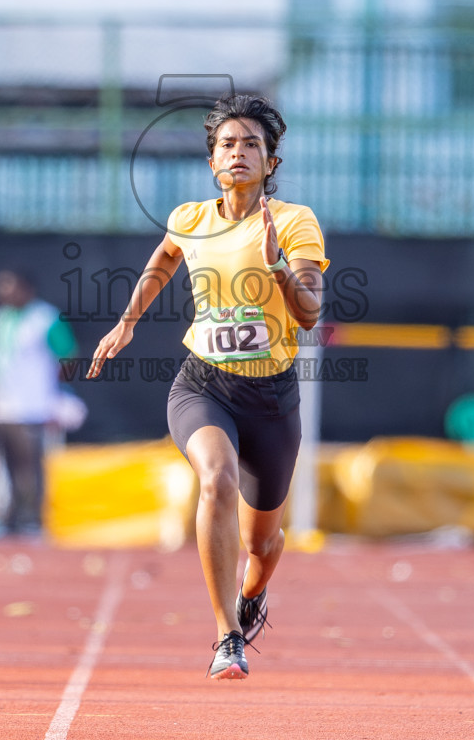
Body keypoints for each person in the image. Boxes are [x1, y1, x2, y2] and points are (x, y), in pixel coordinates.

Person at [88, 94, 326, 679]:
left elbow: (311, 312)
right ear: (212, 160)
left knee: (263, 545)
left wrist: (275, 266)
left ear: (270, 162)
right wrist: (128, 320)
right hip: (202, 385)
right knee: (215, 480)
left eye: (252, 145)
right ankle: (227, 636)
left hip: (271, 399)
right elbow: (165, 258)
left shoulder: (294, 222)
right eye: (228, 144)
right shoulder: (189, 218)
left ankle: (252, 596)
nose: (239, 153)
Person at [0, 269, 76, 537]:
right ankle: (12, 514)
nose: (3, 294)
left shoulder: (45, 318)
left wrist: (56, 391)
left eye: (10, 287)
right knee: (7, 464)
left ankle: (36, 516)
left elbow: (68, 356)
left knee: (31, 464)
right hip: (2, 404)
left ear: (26, 289)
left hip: (33, 405)